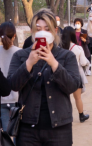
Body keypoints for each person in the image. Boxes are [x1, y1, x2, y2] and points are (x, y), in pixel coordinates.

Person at [8, 9, 80, 146]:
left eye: (47, 29)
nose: (42, 32)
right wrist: (29, 62)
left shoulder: (66, 56)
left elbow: (72, 86)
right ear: (32, 32)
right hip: (28, 128)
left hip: (60, 128)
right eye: (38, 28)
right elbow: (12, 85)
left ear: (55, 30)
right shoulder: (20, 56)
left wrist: (54, 63)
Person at [0, 21, 21, 132]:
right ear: (14, 35)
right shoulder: (20, 53)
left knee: (4, 137)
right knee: (19, 135)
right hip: (18, 100)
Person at [61, 26, 90, 123]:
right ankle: (81, 115)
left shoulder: (59, 48)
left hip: (62, 75)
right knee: (78, 98)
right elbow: (82, 62)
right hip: (75, 75)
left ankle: (64, 117)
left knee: (63, 99)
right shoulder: (77, 48)